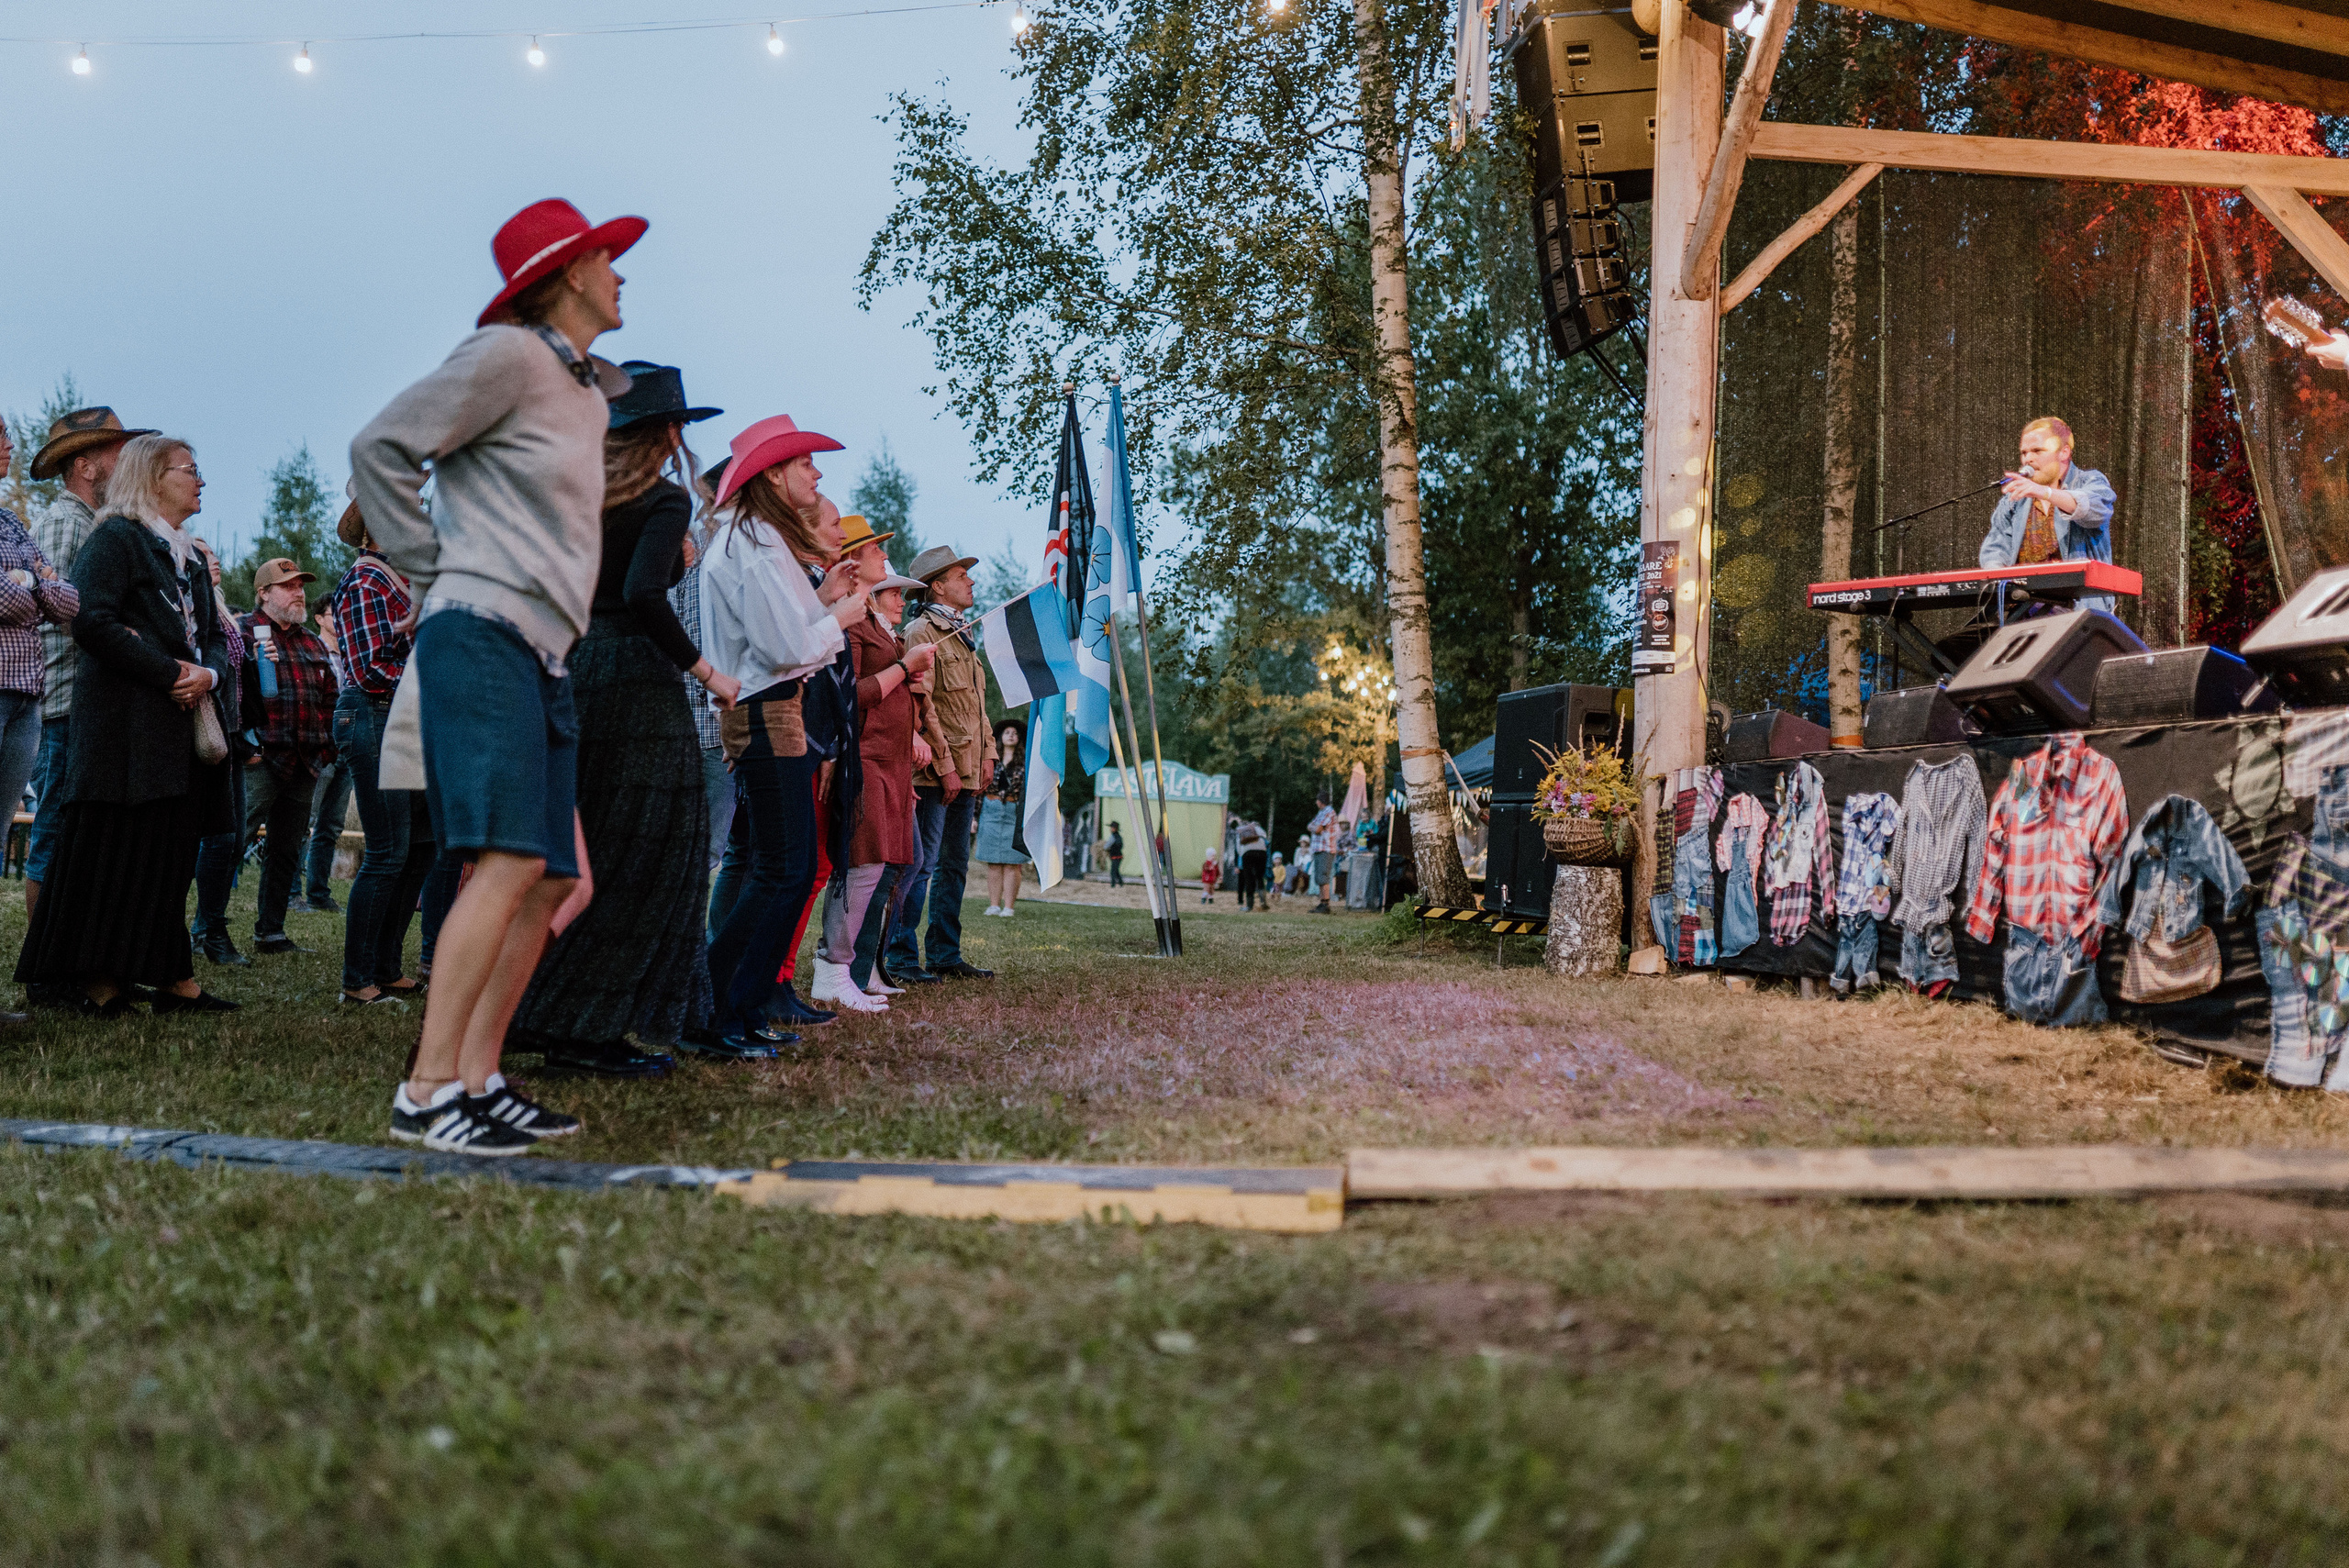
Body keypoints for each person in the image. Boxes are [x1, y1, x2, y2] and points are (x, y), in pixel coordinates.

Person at [352, 196, 644, 1154]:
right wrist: (436, 565)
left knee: (558, 876)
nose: (622, 271)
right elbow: (379, 449)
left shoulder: (584, 389)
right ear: (567, 274)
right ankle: (428, 1089)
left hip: (542, 649)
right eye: (609, 258)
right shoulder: (508, 356)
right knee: (512, 859)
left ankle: (479, 1076)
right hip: (480, 629)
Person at [511, 361, 737, 1073]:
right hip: (638, 682)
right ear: (670, 432)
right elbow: (644, 594)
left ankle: (541, 1012)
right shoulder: (664, 501)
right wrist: (706, 670)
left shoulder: (575, 493)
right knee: (648, 853)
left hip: (577, 669)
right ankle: (589, 1031)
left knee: (587, 850)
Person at [16, 434, 237, 1016]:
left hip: (177, 729)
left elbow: (214, 635)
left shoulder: (182, 550)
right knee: (117, 855)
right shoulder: (116, 538)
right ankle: (101, 980)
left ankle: (172, 978)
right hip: (122, 735)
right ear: (152, 478)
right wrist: (169, 671)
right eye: (189, 470)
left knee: (168, 854)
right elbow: (90, 620)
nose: (201, 481)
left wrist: (207, 676)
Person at [698, 414, 879, 1053]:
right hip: (765, 708)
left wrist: (826, 600)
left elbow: (786, 631)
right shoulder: (751, 543)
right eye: (805, 462)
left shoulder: (760, 539)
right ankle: (718, 1008)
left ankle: (736, 1006)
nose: (817, 471)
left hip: (772, 706)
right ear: (773, 475)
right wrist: (844, 617)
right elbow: (781, 649)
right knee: (781, 870)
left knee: (788, 866)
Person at [26, 407, 150, 921]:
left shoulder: (91, 524)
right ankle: (42, 964)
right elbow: (54, 612)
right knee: (54, 828)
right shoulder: (62, 524)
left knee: (70, 827)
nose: (127, 467)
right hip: (62, 702)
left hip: (82, 701)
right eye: (117, 456)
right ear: (86, 465)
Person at [322, 493, 433, 1008]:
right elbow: (370, 670)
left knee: (418, 847)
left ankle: (387, 967)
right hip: (375, 713)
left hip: (400, 716)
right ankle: (357, 979)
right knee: (389, 850)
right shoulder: (368, 580)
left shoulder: (400, 582)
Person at [814, 567, 941, 1008]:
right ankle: (834, 965)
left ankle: (855, 965)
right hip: (864, 757)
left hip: (891, 762)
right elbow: (850, 696)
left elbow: (901, 707)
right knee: (862, 864)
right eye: (895, 593)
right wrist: (904, 670)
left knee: (888, 864)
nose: (903, 601)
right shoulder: (855, 628)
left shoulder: (884, 634)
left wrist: (915, 687)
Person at [886, 544, 996, 982]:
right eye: (960, 575)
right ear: (938, 586)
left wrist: (987, 755)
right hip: (934, 769)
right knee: (922, 864)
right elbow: (923, 705)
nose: (970, 581)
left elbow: (977, 705)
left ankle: (945, 955)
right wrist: (947, 766)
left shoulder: (964, 633)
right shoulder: (920, 632)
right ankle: (901, 956)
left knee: (954, 865)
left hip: (967, 767)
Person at [222, 559, 339, 955]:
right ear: (264, 593)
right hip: (259, 760)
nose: (299, 592)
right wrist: (245, 746)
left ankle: (270, 933)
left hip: (305, 764)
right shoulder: (241, 633)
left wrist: (326, 750)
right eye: (288, 586)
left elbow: (330, 700)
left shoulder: (312, 642)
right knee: (232, 842)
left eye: (301, 585)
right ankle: (208, 931)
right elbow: (226, 694)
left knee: (286, 850)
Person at [0, 423, 83, 931]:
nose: (9, 446)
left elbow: (68, 600)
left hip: (25, 698)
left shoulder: (9, 522)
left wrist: (26, 582)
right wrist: (39, 585)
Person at [1977, 416, 2119, 617]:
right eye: (2024, 453)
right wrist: (1998, 579)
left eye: (2037, 451)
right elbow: (1995, 547)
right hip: (2021, 607)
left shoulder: (2090, 481)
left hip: (2076, 609)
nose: (2028, 459)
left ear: (2064, 452)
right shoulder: (2016, 497)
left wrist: (2044, 492)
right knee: (1956, 646)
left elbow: (2094, 510)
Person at [974, 719, 1029, 917]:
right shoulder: (990, 761)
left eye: (1015, 732)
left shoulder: (1025, 763)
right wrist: (975, 817)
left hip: (1014, 811)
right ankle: (994, 905)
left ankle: (1009, 907)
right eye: (1007, 732)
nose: (1011, 735)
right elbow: (980, 790)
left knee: (1012, 862)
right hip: (990, 809)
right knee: (993, 862)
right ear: (1000, 737)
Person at [1306, 791, 1340, 913]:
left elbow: (1317, 828)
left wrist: (1316, 828)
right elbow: (1310, 826)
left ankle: (1326, 904)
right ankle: (1322, 902)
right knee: (1319, 876)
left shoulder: (1329, 812)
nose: (1316, 802)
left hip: (1326, 848)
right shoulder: (1321, 813)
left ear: (1320, 801)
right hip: (1318, 848)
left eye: (1317, 800)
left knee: (1324, 875)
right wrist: (1315, 828)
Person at [1236, 817, 1268, 910]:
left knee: (1249, 878)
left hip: (1247, 852)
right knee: (1259, 877)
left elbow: (1238, 849)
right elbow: (1265, 840)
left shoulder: (1240, 830)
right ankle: (1263, 902)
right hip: (1262, 852)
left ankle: (1249, 906)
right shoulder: (1258, 829)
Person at [1106, 818, 1125, 888]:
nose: (1111, 829)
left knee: (1113, 871)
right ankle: (1120, 883)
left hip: (1115, 856)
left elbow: (1106, 846)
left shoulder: (1113, 837)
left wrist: (1107, 848)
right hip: (1118, 856)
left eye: (1112, 828)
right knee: (1116, 870)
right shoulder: (1119, 837)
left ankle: (1113, 884)